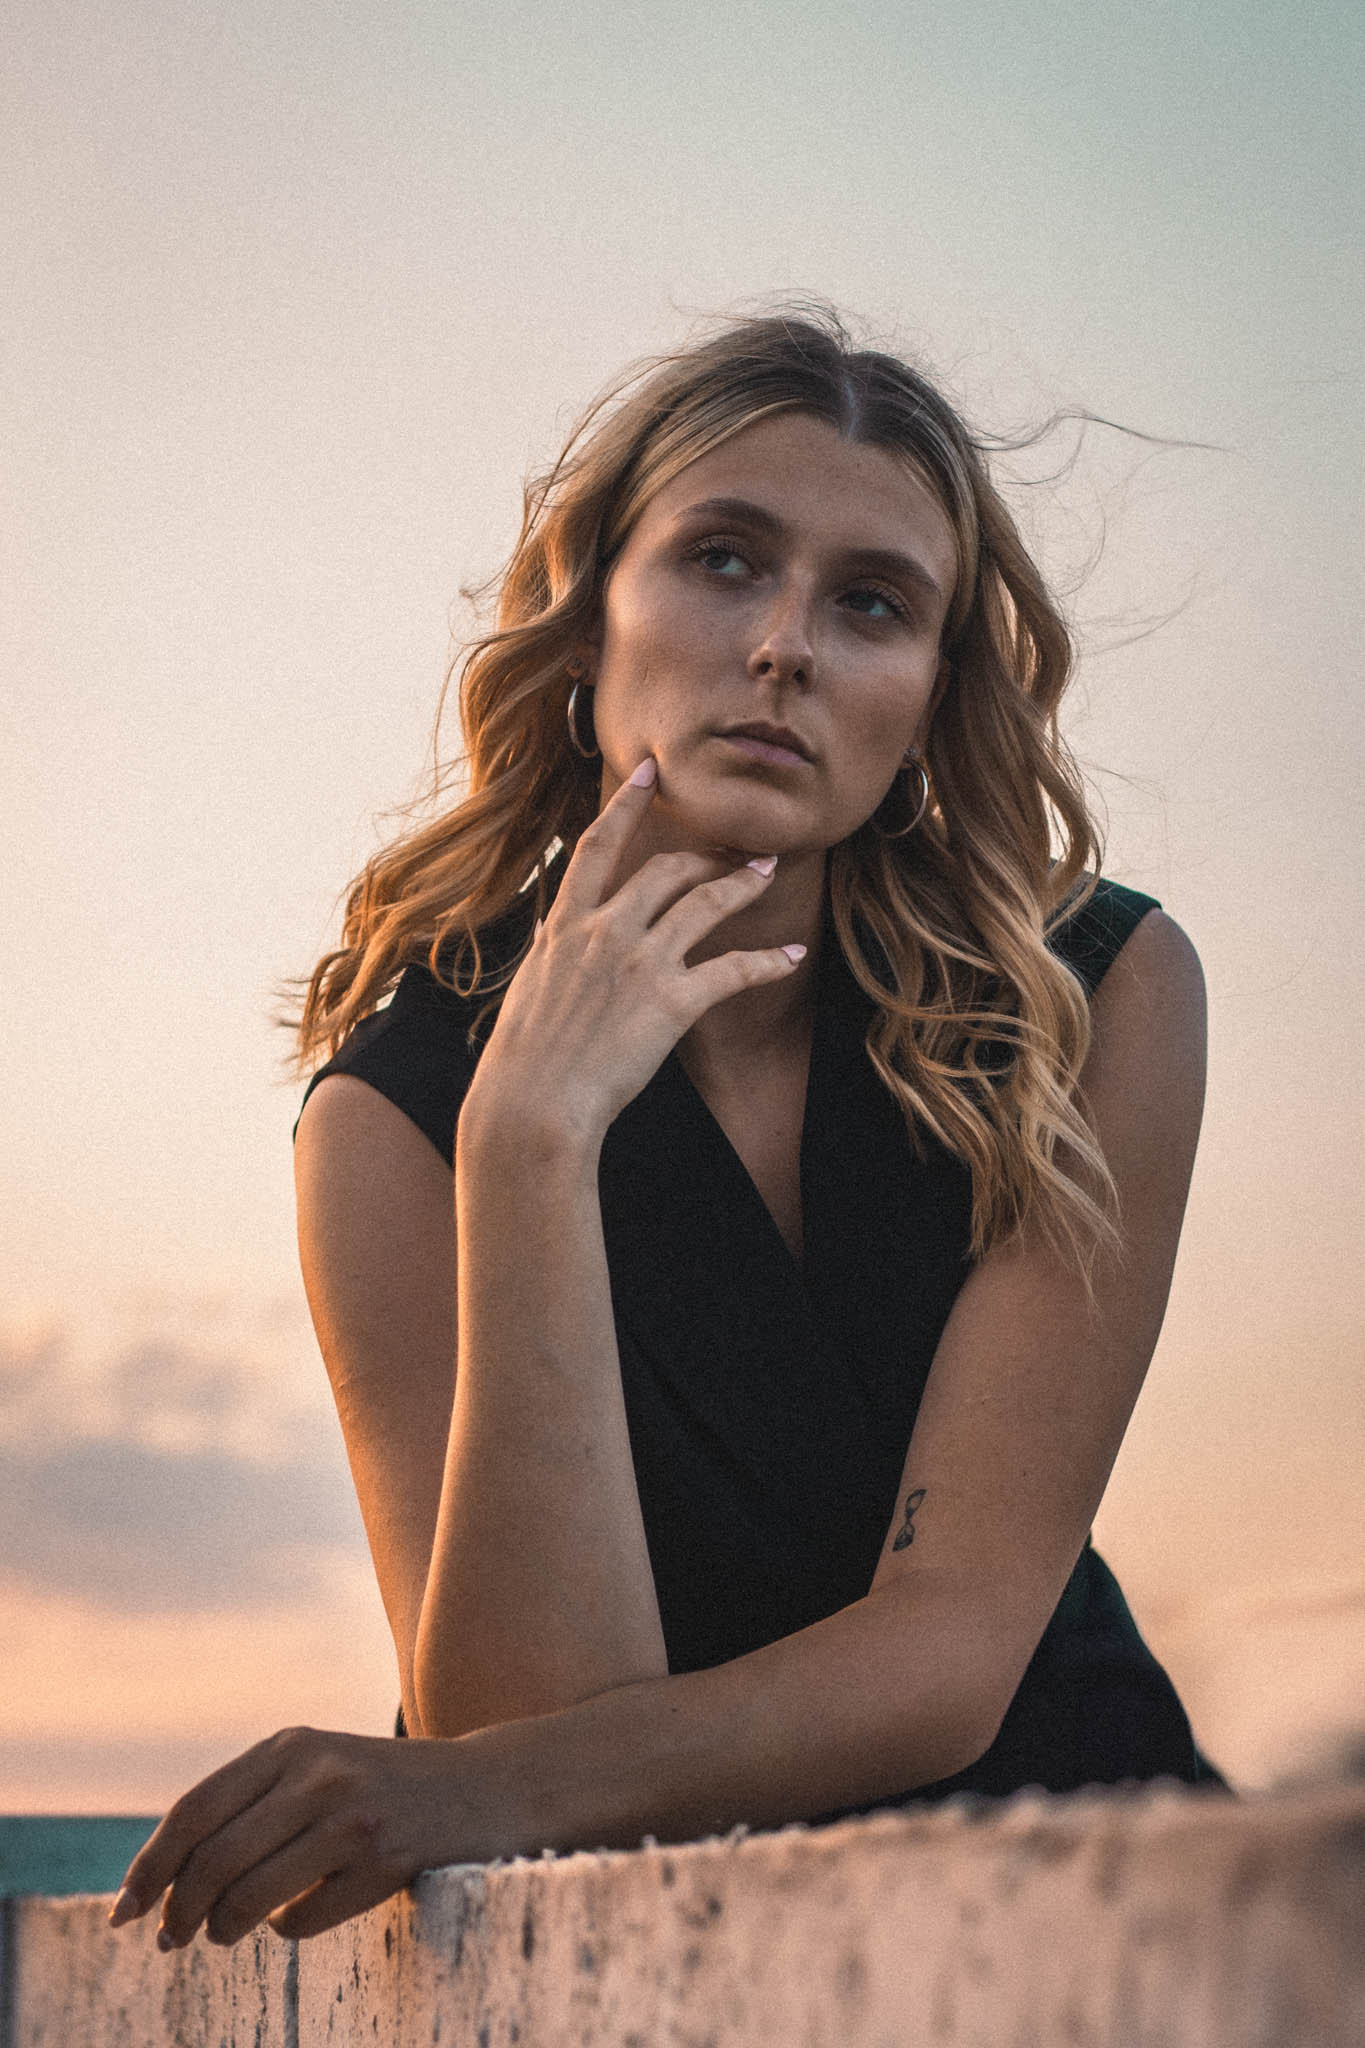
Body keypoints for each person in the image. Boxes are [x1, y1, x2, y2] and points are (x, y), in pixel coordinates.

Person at [110, 301, 1224, 1955]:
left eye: (869, 603)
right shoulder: (397, 1112)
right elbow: (523, 1723)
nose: (784, 646)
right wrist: (528, 1145)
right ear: (588, 623)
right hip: (652, 1964)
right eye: (721, 560)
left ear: (929, 696)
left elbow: (947, 1651)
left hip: (1104, 1920)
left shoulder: (1089, 994)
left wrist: (458, 1786)